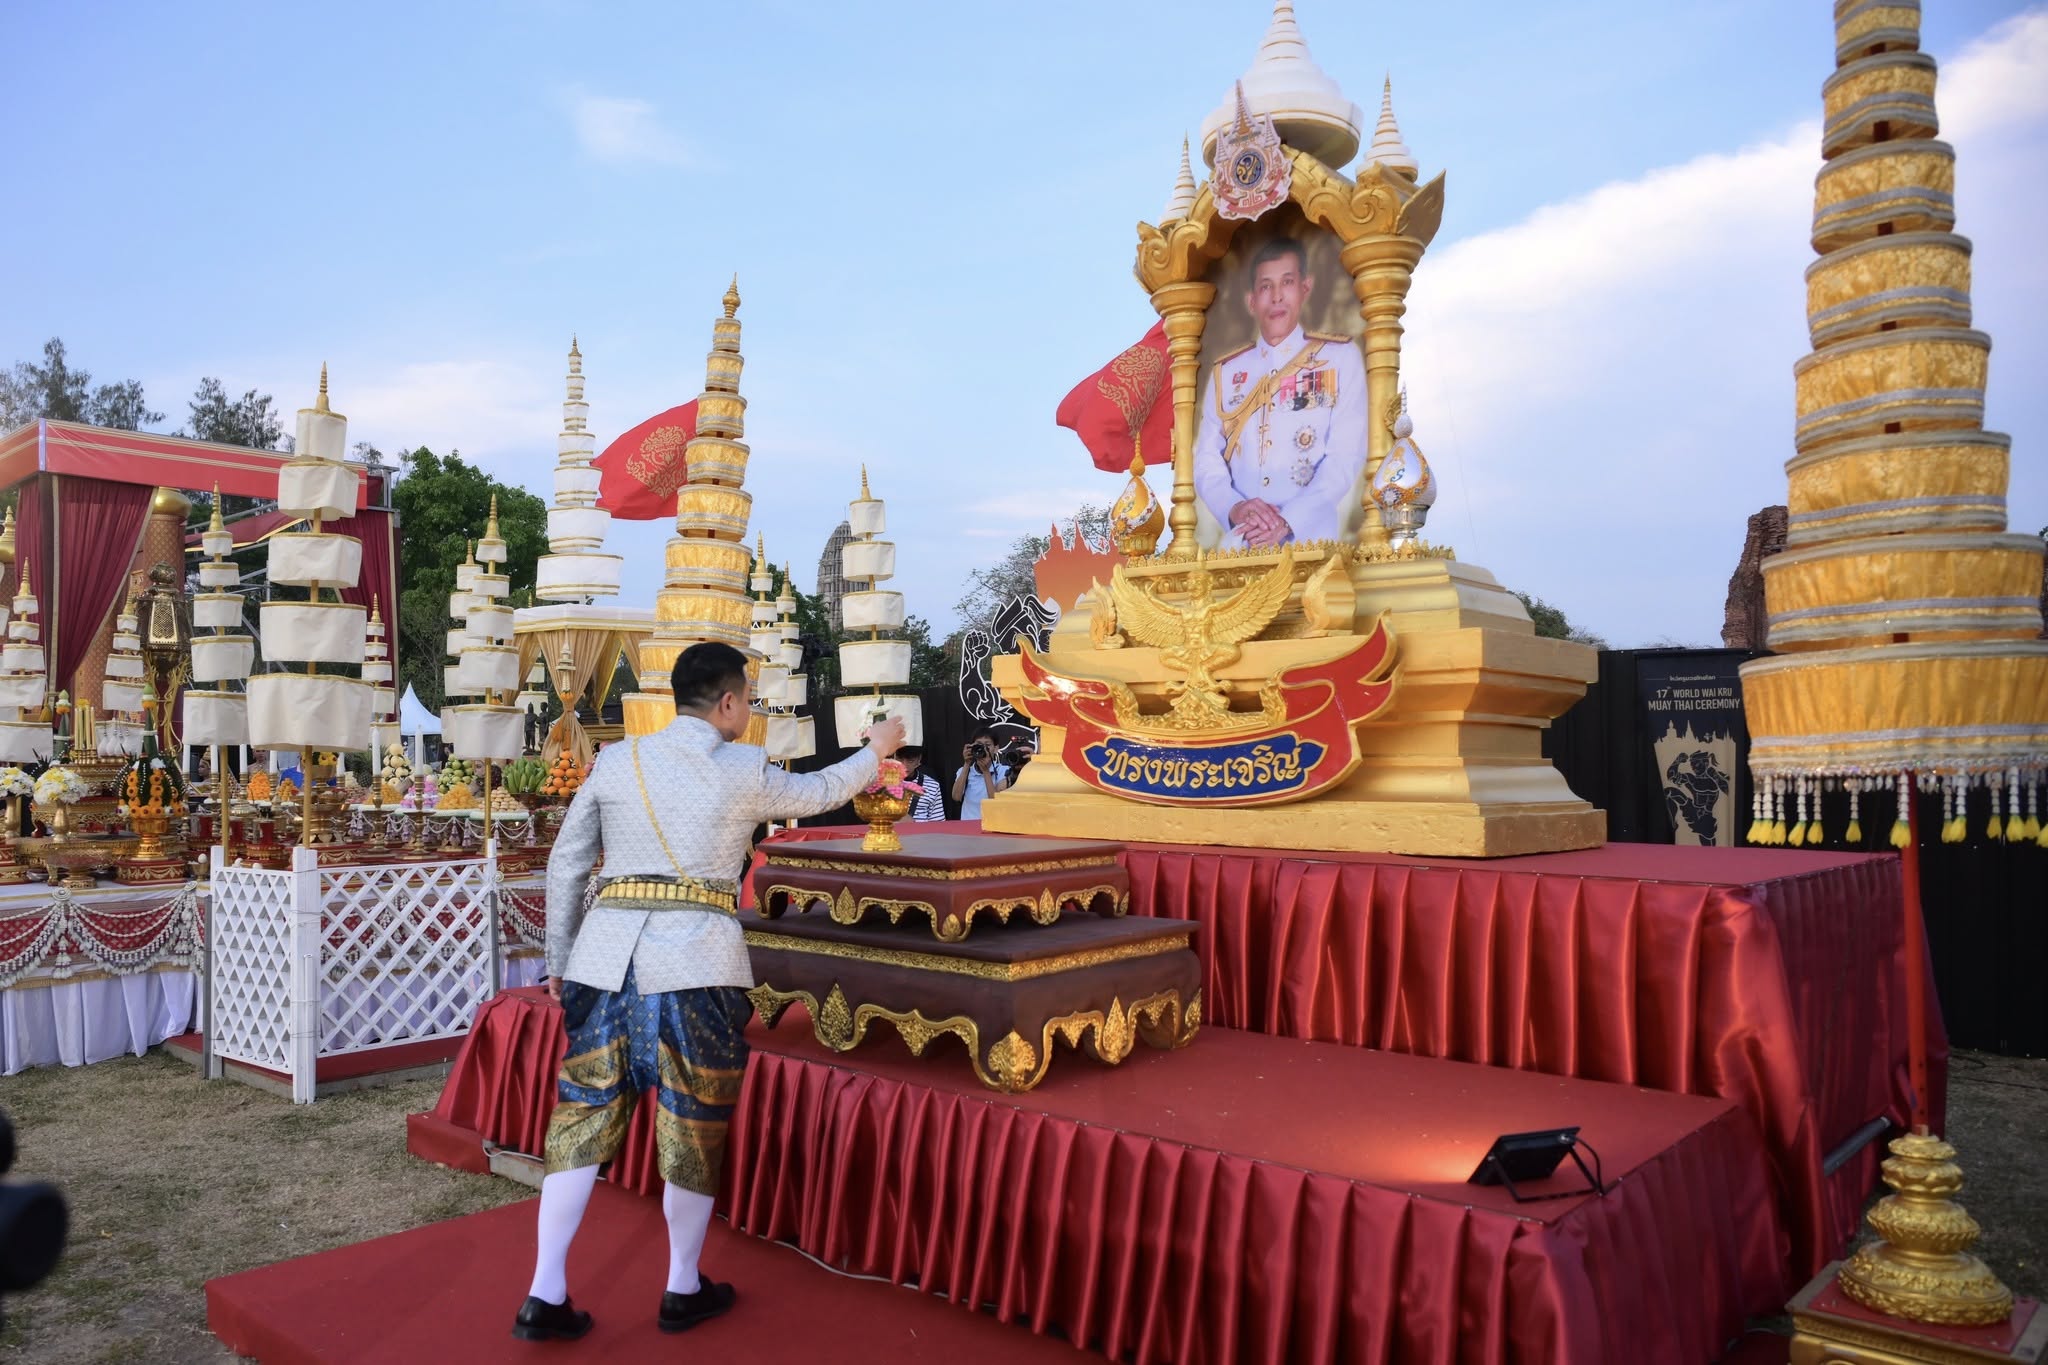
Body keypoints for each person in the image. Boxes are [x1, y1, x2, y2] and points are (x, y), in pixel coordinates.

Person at [515, 641, 905, 1343]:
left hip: (606, 964)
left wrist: (559, 958)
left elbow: (566, 864)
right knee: (693, 1126)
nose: (749, 710)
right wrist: (876, 749)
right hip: (696, 963)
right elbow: (820, 791)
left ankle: (544, 1291)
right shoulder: (741, 766)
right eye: (747, 698)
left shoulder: (615, 760)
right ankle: (682, 1285)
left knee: (579, 1123)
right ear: (726, 703)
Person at [1193, 235, 1367, 549]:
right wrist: (1235, 508)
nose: (1276, 297)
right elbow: (1207, 458)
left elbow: (1345, 456)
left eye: (1286, 282)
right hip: (1240, 543)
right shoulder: (1227, 373)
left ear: (1305, 288)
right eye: (1265, 286)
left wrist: (1289, 521)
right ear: (1251, 301)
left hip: (1311, 542)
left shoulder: (1339, 359)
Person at [950, 730, 1010, 821]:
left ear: (996, 748)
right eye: (979, 745)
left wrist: (986, 772)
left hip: (993, 827)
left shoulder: (1004, 771)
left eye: (987, 745)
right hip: (968, 827)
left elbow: (996, 802)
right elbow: (956, 797)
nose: (983, 749)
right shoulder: (964, 771)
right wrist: (966, 764)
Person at [898, 745, 945, 822]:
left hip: (923, 833)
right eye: (900, 760)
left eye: (910, 761)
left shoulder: (933, 785)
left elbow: (938, 824)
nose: (904, 766)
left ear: (919, 760)